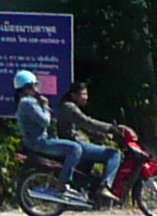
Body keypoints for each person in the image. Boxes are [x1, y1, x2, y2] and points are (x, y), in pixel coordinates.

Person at [12, 71, 104, 202]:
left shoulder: (25, 102)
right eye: (35, 85)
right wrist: (45, 106)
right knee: (75, 149)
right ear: (28, 87)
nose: (37, 88)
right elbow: (45, 120)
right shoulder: (28, 103)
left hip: (38, 140)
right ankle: (64, 183)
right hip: (40, 142)